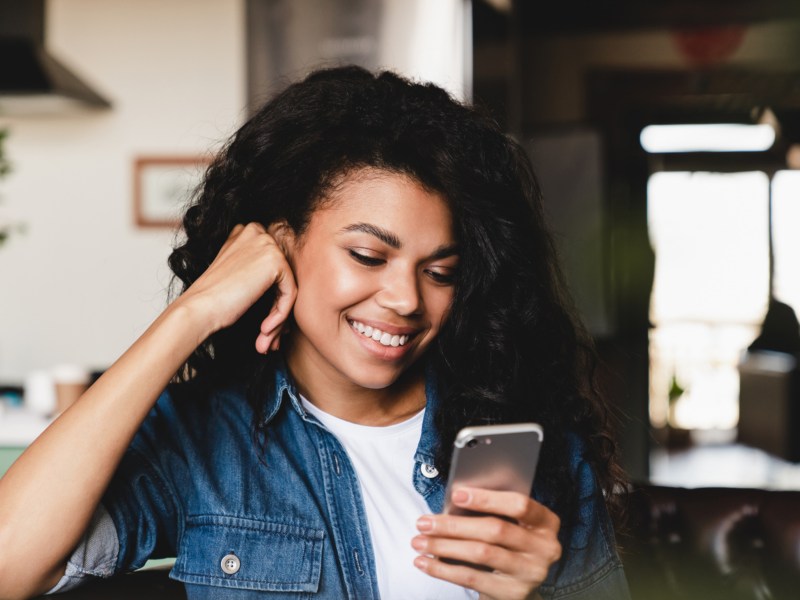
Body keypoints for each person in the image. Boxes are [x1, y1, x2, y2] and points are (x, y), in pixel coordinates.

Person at [0, 66, 630, 600]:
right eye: (367, 256)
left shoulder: (531, 443)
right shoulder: (205, 443)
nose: (407, 299)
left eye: (440, 272)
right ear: (282, 244)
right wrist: (192, 314)